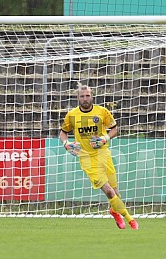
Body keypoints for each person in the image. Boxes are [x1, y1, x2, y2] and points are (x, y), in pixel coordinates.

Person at [59, 82, 139, 230]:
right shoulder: (72, 115)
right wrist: (66, 144)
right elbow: (63, 133)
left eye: (88, 96)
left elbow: (114, 129)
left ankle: (114, 212)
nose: (85, 99)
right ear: (77, 98)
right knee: (108, 191)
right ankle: (130, 219)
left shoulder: (102, 112)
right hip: (86, 158)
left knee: (115, 192)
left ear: (92, 97)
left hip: (103, 154)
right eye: (82, 96)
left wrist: (105, 139)